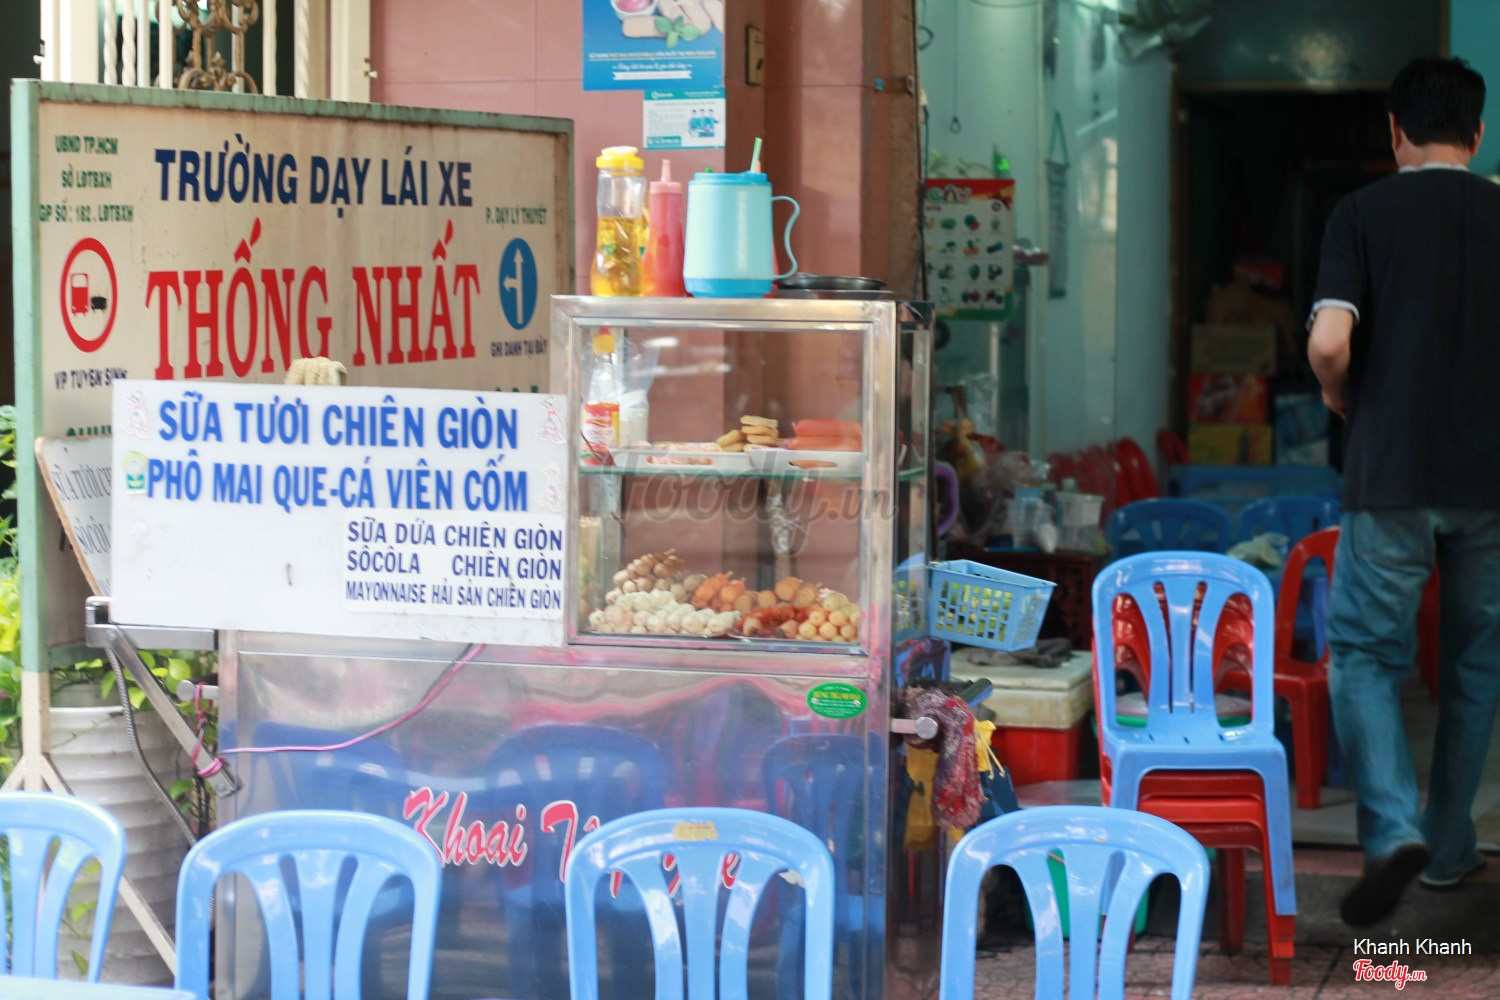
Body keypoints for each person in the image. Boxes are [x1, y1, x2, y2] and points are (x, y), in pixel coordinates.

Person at [1308, 55, 1500, 927]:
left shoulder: (1361, 214)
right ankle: (1451, 845)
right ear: (1478, 132)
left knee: (1364, 657)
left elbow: (1329, 344)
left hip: (1390, 475)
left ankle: (1391, 832)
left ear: (1395, 131)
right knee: (1475, 664)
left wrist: (1338, 394)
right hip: (1490, 484)